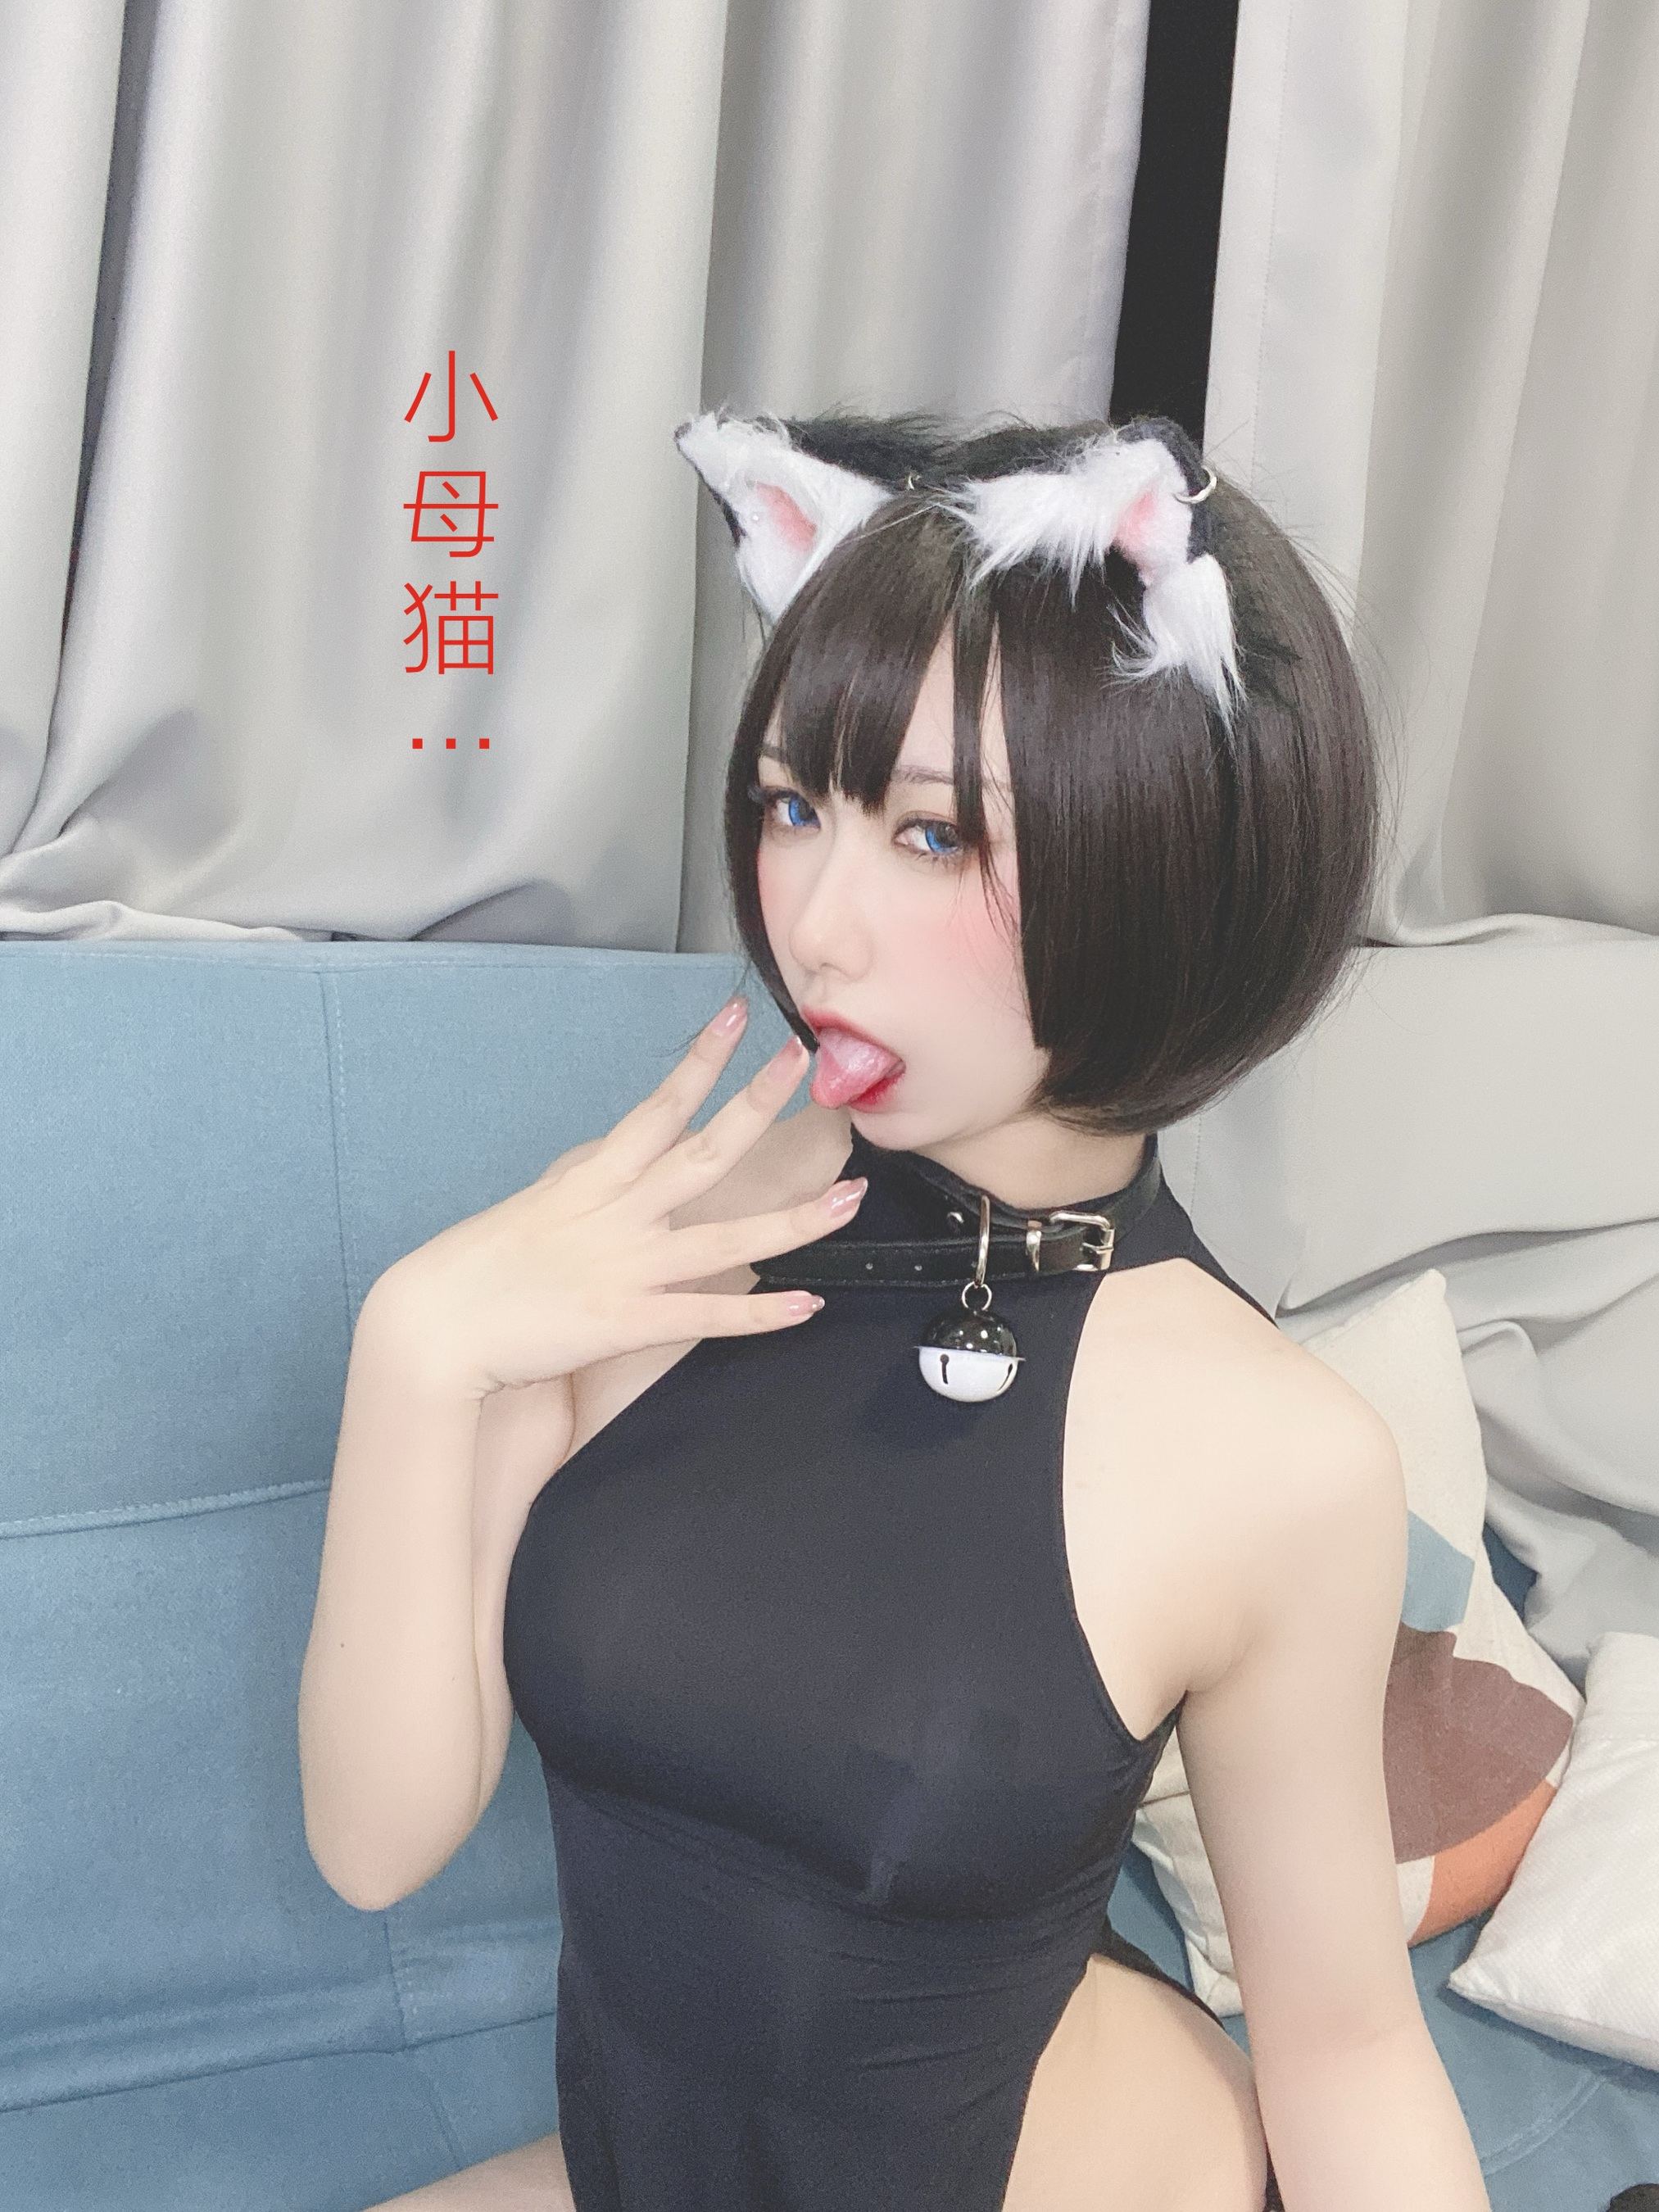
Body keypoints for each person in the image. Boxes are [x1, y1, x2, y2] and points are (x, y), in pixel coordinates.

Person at [303, 408, 1496, 2210]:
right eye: (795, 805)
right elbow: (374, 1847)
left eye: (932, 836)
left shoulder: (1276, 1458)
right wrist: (414, 1350)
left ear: (1160, 860)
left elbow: (1343, 2049)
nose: (816, 927)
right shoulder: (641, 1249)